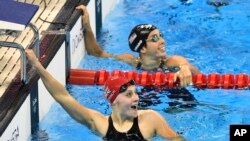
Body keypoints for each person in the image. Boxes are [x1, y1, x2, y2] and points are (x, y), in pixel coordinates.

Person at [25, 49, 186, 141]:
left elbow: (176, 139)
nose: (137, 98)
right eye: (129, 95)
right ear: (114, 100)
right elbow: (63, 96)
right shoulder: (100, 124)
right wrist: (37, 65)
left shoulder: (150, 119)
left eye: (135, 93)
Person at [76, 5, 201, 88]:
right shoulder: (131, 61)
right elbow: (97, 53)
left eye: (161, 36)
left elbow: (184, 63)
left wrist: (185, 68)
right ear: (142, 48)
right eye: (155, 38)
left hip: (174, 92)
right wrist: (86, 25)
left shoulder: (170, 62)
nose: (162, 41)